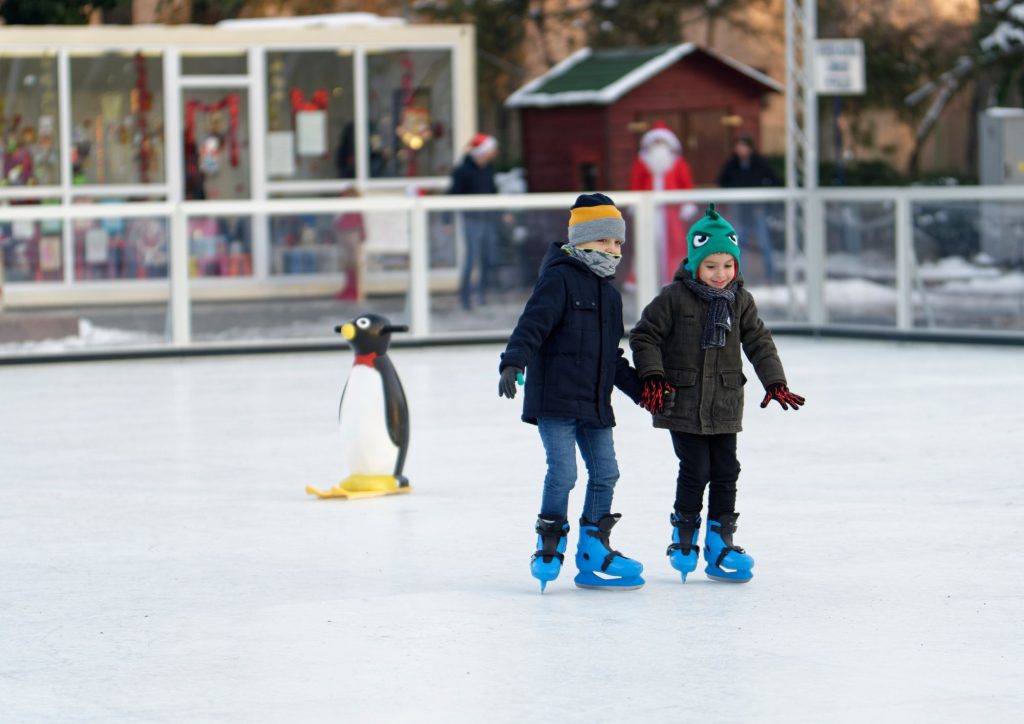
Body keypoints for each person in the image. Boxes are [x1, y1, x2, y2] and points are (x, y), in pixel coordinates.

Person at [629, 203, 805, 584]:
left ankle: (720, 540)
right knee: (696, 469)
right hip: (683, 400)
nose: (720, 274)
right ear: (694, 264)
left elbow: (759, 341)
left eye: (728, 265)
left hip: (725, 400)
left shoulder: (740, 300)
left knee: (727, 469)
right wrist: (654, 376)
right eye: (711, 266)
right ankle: (685, 534)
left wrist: (774, 381)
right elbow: (644, 335)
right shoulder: (673, 297)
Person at [498, 193, 645, 592]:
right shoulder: (559, 279)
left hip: (594, 402)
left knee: (606, 473)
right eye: (603, 242)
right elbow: (533, 324)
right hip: (557, 400)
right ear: (580, 241)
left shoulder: (610, 296)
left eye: (617, 243)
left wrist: (643, 392)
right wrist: (514, 361)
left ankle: (593, 549)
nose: (613, 251)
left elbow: (611, 357)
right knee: (563, 472)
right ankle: (549, 542)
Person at [628, 122, 696, 284]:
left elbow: (686, 183)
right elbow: (635, 184)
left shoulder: (678, 162)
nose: (659, 146)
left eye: (662, 142)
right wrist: (635, 203)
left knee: (675, 243)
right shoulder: (642, 162)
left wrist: (687, 203)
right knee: (646, 243)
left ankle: (675, 276)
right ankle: (642, 278)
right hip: (648, 210)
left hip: (671, 210)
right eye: (656, 142)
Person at [717, 136, 782, 281]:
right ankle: (737, 275)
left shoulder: (760, 163)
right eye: (738, 146)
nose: (741, 150)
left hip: (757, 210)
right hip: (739, 211)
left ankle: (771, 274)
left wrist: (765, 200)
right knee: (737, 243)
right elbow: (722, 183)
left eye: (743, 146)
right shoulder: (731, 165)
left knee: (765, 242)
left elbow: (774, 181)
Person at [449, 133, 500, 310]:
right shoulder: (463, 170)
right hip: (472, 219)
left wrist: (502, 213)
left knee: (487, 256)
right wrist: (446, 219)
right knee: (471, 258)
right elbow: (453, 194)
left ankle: (482, 295)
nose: (494, 153)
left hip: (488, 218)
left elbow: (493, 191)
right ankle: (465, 297)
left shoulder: (489, 169)